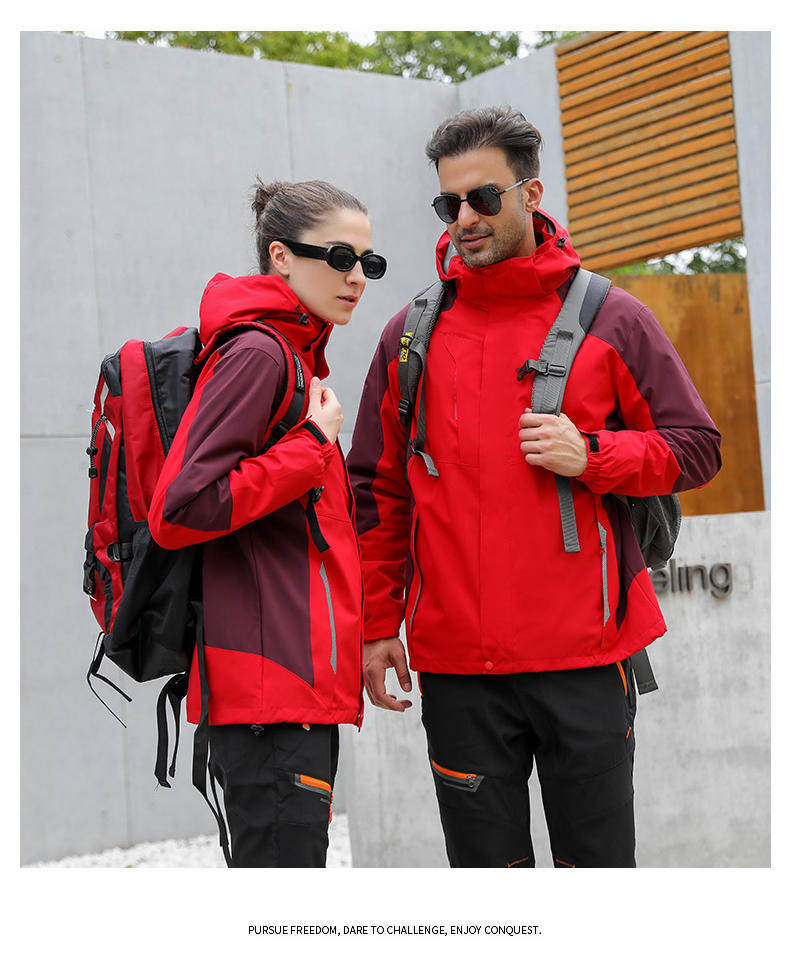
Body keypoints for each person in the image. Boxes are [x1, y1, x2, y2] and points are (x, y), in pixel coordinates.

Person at [348, 106, 721, 868]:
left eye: (484, 198)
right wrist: (378, 626)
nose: (465, 219)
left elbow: (696, 447)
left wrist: (593, 455)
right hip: (457, 674)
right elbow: (379, 492)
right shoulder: (409, 337)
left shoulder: (613, 317)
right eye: (448, 203)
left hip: (586, 661)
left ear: (531, 193)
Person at [148, 178, 387, 867]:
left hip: (288, 693)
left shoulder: (290, 355)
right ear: (280, 256)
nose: (356, 277)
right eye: (339, 257)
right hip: (270, 699)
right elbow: (180, 508)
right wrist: (310, 447)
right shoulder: (258, 354)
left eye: (368, 263)